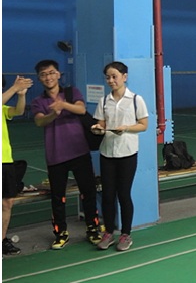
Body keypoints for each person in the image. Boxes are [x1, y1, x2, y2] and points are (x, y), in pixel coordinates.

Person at [31, 60, 102, 249]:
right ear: (39, 78)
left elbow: (81, 109)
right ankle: (61, 233)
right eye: (43, 74)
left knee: (88, 192)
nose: (48, 77)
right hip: (55, 156)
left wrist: (62, 104)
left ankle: (93, 229)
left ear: (58, 74)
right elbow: (39, 122)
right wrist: (53, 114)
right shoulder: (38, 101)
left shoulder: (71, 92)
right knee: (58, 198)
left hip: (79, 151)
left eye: (51, 73)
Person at [92, 62, 148, 252]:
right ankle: (108, 232)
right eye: (108, 77)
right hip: (107, 153)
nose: (111, 80)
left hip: (127, 153)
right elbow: (101, 123)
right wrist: (98, 128)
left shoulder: (136, 100)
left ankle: (125, 234)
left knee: (123, 194)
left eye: (114, 76)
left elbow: (143, 125)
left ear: (124, 76)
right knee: (107, 195)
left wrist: (126, 128)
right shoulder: (104, 101)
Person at [2, 75, 33, 256]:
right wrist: (14, 88)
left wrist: (21, 95)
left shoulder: (2, 107)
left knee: (7, 202)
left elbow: (19, 111)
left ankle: (1, 240)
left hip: (5, 160)